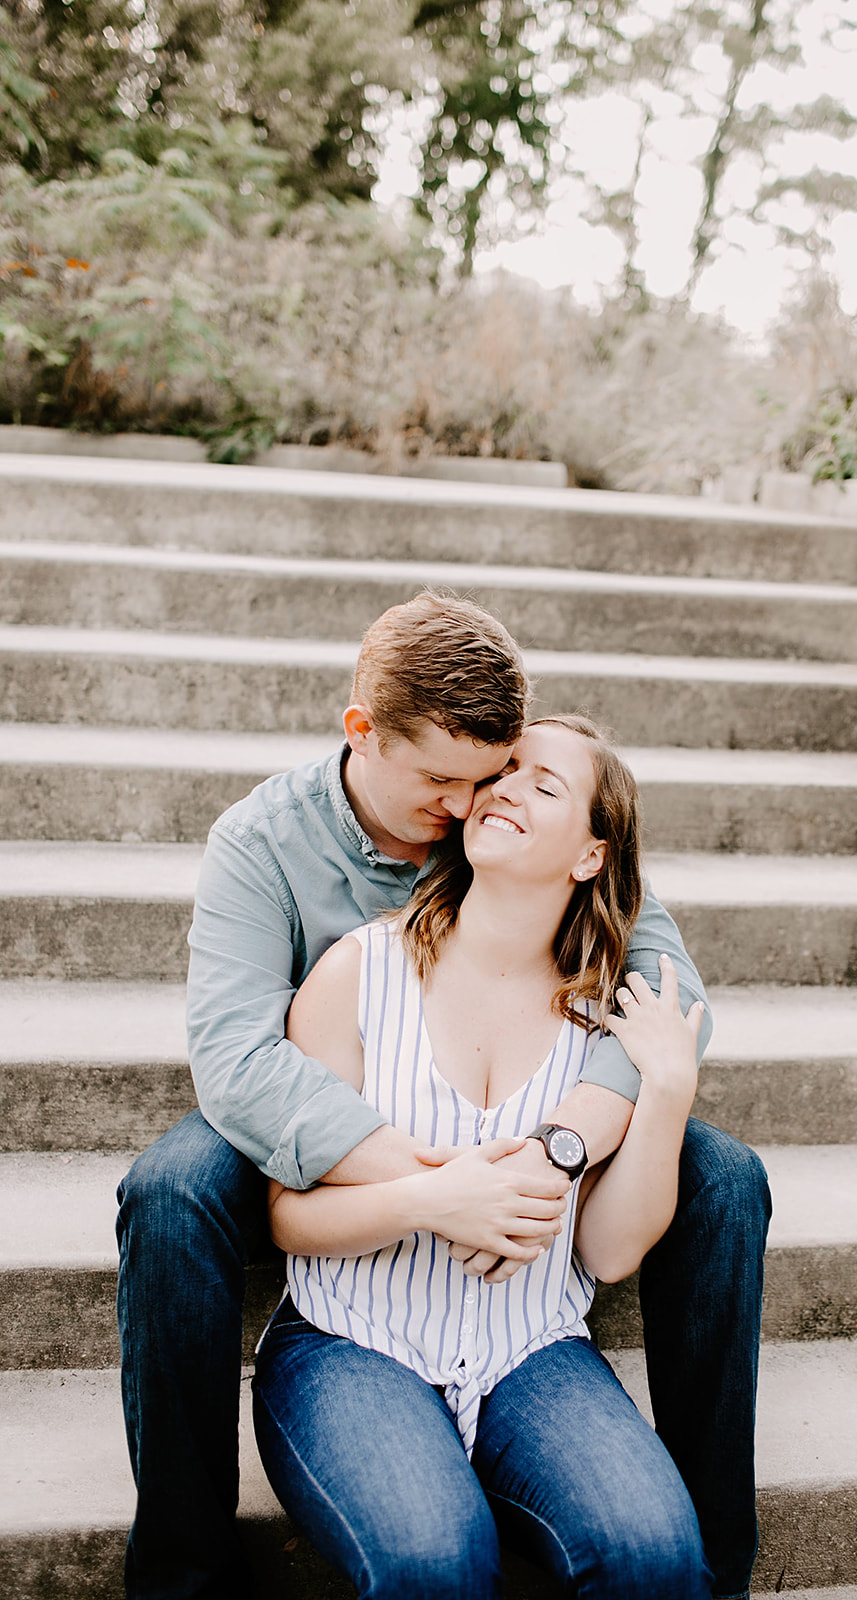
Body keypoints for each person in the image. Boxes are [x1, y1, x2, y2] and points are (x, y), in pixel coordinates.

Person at [115, 592, 770, 1600]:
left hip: (522, 1216)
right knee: (170, 1191)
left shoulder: (550, 860)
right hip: (308, 1110)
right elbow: (241, 1065)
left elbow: (667, 994)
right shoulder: (268, 848)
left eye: (497, 775)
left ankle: (712, 1554)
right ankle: (183, 1570)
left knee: (722, 1177)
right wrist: (435, 1178)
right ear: (362, 735)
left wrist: (554, 1146)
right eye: (442, 780)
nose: (471, 804)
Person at [254, 714, 711, 1597]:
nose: (504, 790)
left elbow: (610, 1254)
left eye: (545, 786)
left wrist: (666, 1095)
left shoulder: (607, 1019)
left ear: (590, 857)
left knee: (655, 1558)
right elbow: (286, 1216)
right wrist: (427, 1201)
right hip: (351, 1344)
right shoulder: (360, 972)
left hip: (531, 1350)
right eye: (503, 773)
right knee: (435, 1566)